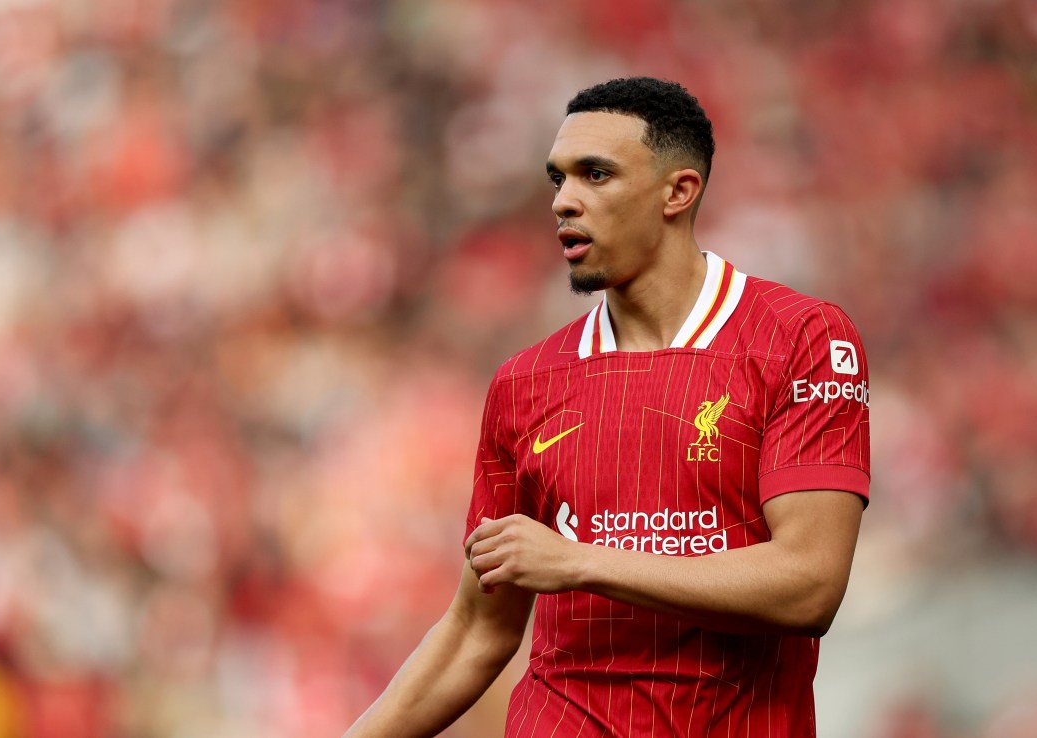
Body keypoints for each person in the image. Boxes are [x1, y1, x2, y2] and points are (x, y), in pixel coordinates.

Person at [342, 76, 869, 738]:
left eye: (595, 175)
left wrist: (581, 560)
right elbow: (478, 629)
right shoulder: (523, 383)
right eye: (557, 179)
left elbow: (808, 583)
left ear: (677, 192)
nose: (564, 201)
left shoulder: (802, 339)